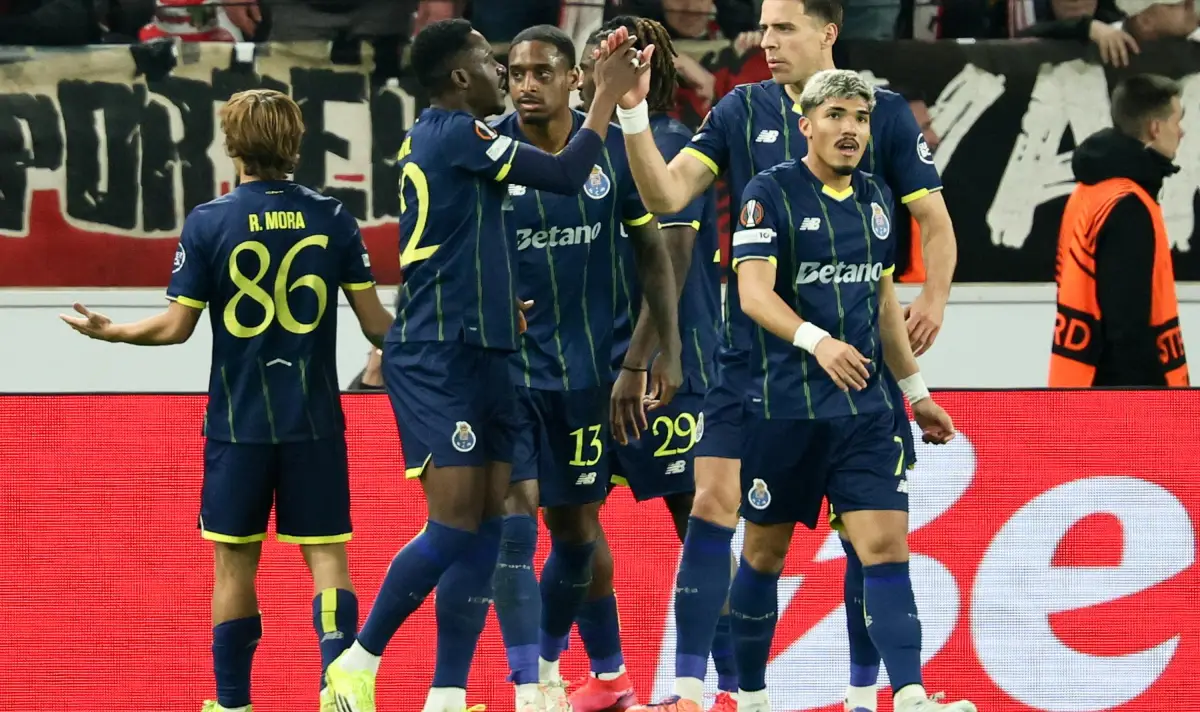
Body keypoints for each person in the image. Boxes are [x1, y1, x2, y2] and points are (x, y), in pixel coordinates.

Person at [599, 2, 957, 710]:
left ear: (828, 32)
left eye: (784, 27)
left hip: (850, 371)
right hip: (751, 368)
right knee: (717, 510)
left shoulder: (879, 115)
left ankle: (867, 695)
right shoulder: (741, 110)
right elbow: (667, 194)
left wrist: (934, 302)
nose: (768, 41)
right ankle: (701, 690)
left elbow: (932, 225)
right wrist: (634, 113)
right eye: (764, 27)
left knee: (868, 537)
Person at [323, 19, 650, 712]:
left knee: (491, 528)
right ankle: (358, 661)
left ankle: (447, 694)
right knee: (453, 524)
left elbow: (470, 234)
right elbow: (565, 175)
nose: (501, 70)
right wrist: (605, 96)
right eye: (487, 58)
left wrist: (499, 303)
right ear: (460, 75)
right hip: (440, 354)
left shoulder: (455, 140)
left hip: (487, 346)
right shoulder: (455, 133)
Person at [59, 88, 395, 712]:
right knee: (328, 557)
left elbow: (174, 327)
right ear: (296, 143)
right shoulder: (333, 217)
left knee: (235, 566)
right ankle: (339, 692)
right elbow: (379, 327)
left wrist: (112, 332)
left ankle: (234, 704)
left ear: (232, 145)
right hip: (315, 421)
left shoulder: (209, 221)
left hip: (238, 426)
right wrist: (455, 335)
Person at [728, 68, 973, 712]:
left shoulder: (877, 199)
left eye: (861, 119)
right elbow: (753, 293)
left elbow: (884, 301)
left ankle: (909, 695)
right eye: (836, 115)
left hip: (866, 411)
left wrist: (916, 393)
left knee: (885, 548)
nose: (851, 129)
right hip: (786, 408)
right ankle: (750, 698)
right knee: (764, 555)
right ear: (805, 125)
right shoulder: (768, 193)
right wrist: (818, 342)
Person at [485, 24, 682, 712]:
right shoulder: (487, 149)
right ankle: (530, 684)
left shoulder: (613, 154)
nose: (526, 85)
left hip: (587, 376)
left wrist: (654, 355)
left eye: (542, 72)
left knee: (575, 534)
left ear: (575, 79)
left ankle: (592, 675)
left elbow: (655, 252)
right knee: (515, 522)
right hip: (509, 378)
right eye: (516, 73)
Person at [571, 16, 731, 712]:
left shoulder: (667, 143)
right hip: (592, 367)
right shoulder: (586, 149)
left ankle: (732, 688)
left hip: (666, 369)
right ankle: (610, 678)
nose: (584, 78)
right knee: (573, 517)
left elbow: (675, 252)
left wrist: (642, 360)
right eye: (587, 66)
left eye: (594, 66)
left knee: (697, 523)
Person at [1051, 74, 1189, 387]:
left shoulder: (1087, 192)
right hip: (1120, 393)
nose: (1181, 132)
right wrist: (1154, 401)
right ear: (1155, 128)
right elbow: (1127, 327)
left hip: (1079, 381)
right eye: (1176, 121)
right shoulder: (1129, 205)